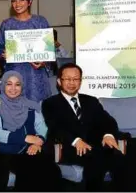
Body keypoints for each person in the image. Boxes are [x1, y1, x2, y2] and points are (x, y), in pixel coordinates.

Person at [42, 63, 132, 191]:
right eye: (67, 79)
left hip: (94, 146)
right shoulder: (50, 103)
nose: (72, 82)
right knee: (97, 159)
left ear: (80, 81)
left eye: (76, 79)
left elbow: (107, 120)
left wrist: (108, 135)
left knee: (127, 155)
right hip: (68, 146)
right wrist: (76, 141)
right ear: (59, 81)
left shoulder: (91, 101)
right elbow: (56, 127)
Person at [0, 71, 60, 191]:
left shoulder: (31, 105)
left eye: (18, 84)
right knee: (28, 169)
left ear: (22, 87)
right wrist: (25, 138)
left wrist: (39, 140)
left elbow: (42, 126)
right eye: (9, 84)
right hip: (6, 151)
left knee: (53, 170)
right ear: (3, 85)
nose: (13, 88)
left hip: (29, 149)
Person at [0, 0, 52, 102]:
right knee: (13, 109)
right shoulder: (7, 24)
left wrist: (43, 63)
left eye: (21, 0)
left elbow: (49, 49)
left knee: (38, 110)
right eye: (14, 1)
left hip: (36, 74)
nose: (17, 4)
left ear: (30, 2)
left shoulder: (40, 21)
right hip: (14, 72)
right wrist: (3, 54)